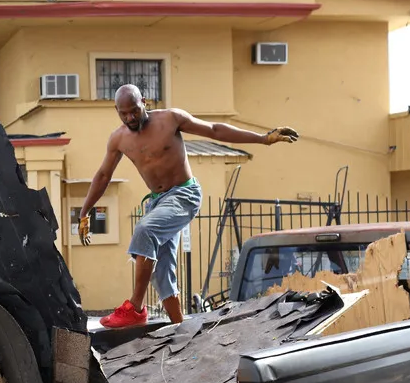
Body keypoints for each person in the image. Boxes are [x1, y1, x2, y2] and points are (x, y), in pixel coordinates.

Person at [79, 84, 299, 328]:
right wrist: (85, 211)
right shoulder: (118, 138)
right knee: (162, 268)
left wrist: (263, 139)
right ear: (117, 111)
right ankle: (179, 327)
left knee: (145, 229)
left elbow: (215, 130)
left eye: (135, 110)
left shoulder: (171, 119)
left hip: (185, 194)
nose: (130, 117)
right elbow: (103, 175)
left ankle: (136, 308)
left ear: (144, 101)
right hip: (158, 202)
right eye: (124, 113)